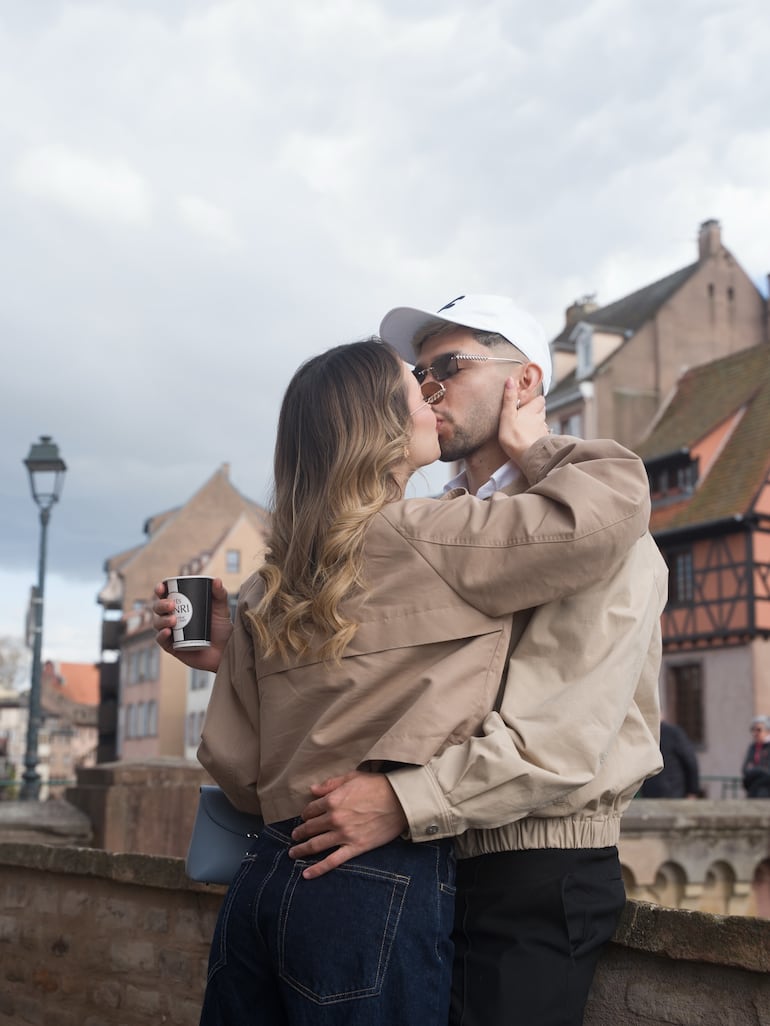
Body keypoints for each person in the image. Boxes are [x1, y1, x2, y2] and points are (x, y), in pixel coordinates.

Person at [153, 335, 654, 1026]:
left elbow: (241, 770)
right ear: (384, 430)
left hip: (265, 879)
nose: (433, 396)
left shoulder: (274, 581)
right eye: (417, 387)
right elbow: (615, 505)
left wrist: (233, 660)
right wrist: (531, 444)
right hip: (367, 884)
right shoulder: (437, 534)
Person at [287, 295, 668, 1026]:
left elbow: (555, 740)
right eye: (417, 373)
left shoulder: (603, 534)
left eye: (448, 367)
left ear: (522, 384)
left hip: (531, 867)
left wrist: (403, 801)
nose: (428, 388)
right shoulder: (436, 525)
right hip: (419, 858)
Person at [640, 720, 700, 798]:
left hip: (652, 791)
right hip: (672, 792)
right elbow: (690, 761)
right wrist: (692, 791)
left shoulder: (644, 733)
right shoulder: (673, 732)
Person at [741, 716, 770, 798]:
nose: (755, 733)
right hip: (752, 787)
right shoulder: (752, 747)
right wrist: (760, 770)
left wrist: (754, 769)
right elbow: (745, 769)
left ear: (768, 731)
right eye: (753, 730)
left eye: (758, 730)